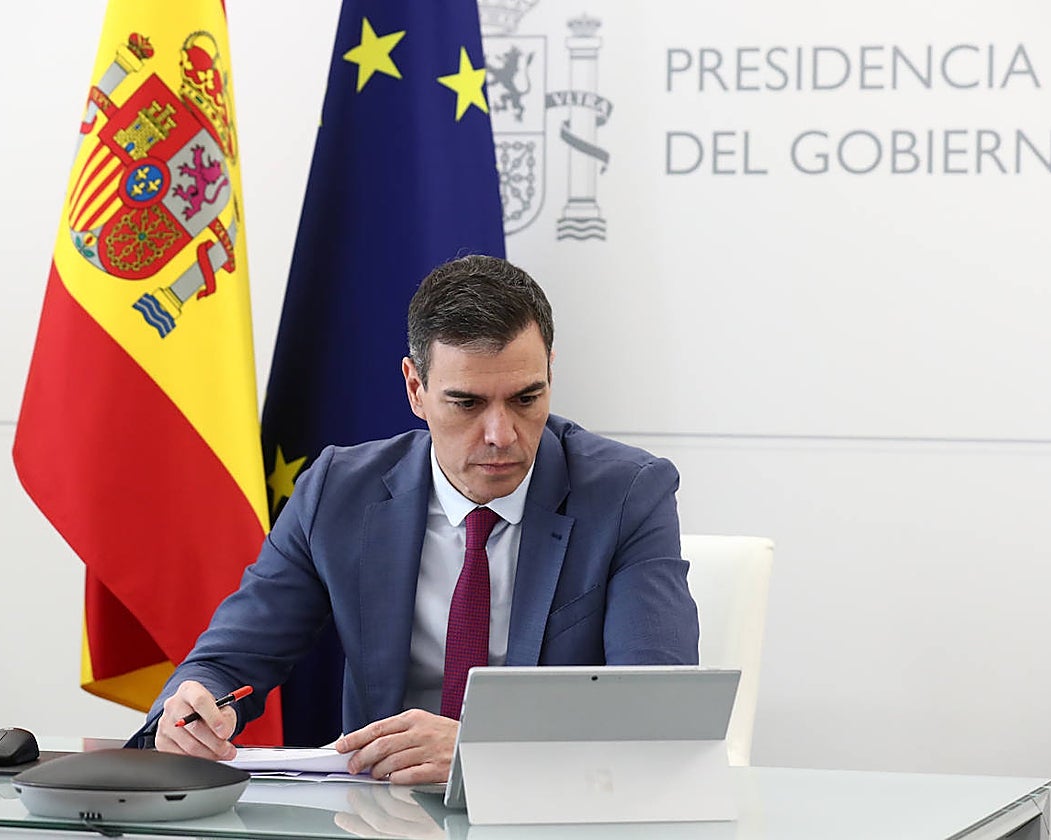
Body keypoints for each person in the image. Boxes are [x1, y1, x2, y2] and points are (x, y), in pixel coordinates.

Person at [136, 254, 699, 783]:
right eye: (467, 403)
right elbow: (230, 659)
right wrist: (190, 712)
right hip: (378, 815)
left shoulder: (627, 494)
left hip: (550, 813)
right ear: (415, 388)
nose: (502, 435)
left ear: (550, 372)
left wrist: (480, 750)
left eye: (527, 399)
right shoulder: (338, 492)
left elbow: (657, 708)